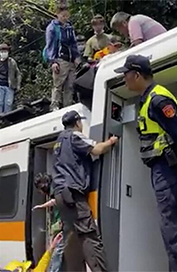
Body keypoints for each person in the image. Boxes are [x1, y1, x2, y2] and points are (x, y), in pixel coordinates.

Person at [114, 55, 177, 272]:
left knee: (173, 229)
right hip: (163, 171)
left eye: (126, 75)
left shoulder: (158, 100)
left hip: (169, 170)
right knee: (172, 228)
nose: (124, 79)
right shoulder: (147, 99)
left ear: (137, 74)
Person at [52, 110, 118, 272]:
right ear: (77, 123)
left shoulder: (58, 141)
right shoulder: (74, 136)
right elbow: (96, 149)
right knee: (89, 236)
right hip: (73, 194)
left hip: (61, 194)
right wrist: (110, 141)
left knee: (72, 238)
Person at [44, 4, 80, 111]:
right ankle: (54, 105)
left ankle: (67, 106)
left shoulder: (69, 27)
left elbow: (73, 43)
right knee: (58, 85)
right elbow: (50, 45)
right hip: (60, 59)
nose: (65, 17)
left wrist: (76, 57)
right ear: (57, 15)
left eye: (66, 15)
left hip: (71, 60)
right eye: (62, 15)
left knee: (70, 85)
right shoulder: (52, 27)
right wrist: (53, 61)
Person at [32, 173, 62, 272]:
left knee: (56, 256)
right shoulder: (56, 189)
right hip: (58, 229)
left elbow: (55, 201)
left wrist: (41, 206)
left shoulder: (56, 192)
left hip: (60, 229)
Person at [0, 43, 21, 116]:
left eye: (5, 51)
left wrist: (18, 85)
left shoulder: (12, 62)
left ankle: (7, 119)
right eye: (2, 52)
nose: (4, 53)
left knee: (8, 103)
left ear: (8, 52)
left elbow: (18, 73)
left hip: (9, 85)